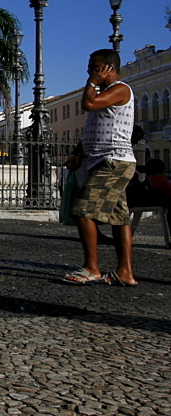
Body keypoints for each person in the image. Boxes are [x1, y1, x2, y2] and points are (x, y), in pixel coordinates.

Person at [62, 49, 137, 286]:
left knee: (83, 210)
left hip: (113, 160)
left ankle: (91, 268)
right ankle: (125, 272)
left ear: (109, 68)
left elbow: (88, 104)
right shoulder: (106, 93)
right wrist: (81, 154)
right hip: (104, 158)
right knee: (119, 217)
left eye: (94, 67)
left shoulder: (120, 89)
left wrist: (91, 83)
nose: (89, 71)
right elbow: (101, 131)